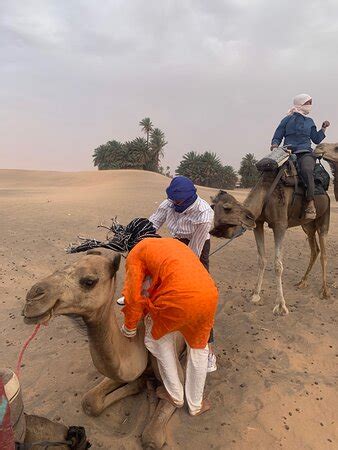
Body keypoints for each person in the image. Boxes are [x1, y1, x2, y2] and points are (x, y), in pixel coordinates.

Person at [109, 218, 218, 416]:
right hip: (209, 296)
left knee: (155, 340)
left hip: (177, 300)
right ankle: (196, 405)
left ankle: (175, 394)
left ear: (132, 240)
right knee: (198, 348)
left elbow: (133, 295)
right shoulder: (174, 243)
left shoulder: (137, 252)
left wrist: (130, 327)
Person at [117, 176, 217, 372]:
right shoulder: (168, 204)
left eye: (178, 201)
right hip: (173, 242)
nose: (175, 204)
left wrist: (179, 270)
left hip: (196, 247)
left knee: (199, 292)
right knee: (149, 265)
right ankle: (134, 297)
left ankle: (209, 350)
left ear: (189, 198)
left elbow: (193, 254)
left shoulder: (204, 214)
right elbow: (152, 224)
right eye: (173, 200)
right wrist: (138, 240)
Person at [271, 93, 330, 220]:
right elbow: (278, 135)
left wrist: (323, 129)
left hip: (305, 152)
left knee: (307, 170)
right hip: (287, 152)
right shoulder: (287, 119)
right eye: (308, 103)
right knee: (269, 169)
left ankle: (310, 202)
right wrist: (274, 145)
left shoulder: (310, 121)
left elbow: (316, 139)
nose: (310, 106)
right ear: (301, 103)